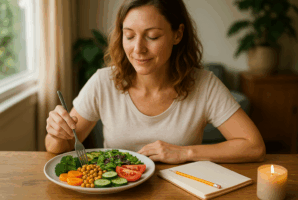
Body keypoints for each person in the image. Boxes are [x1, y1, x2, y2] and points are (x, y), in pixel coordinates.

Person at [45, 0, 266, 164]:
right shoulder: (103, 82)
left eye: (152, 37)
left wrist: (186, 152)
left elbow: (254, 146)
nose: (138, 49)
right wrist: (56, 133)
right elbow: (58, 147)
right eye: (129, 36)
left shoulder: (205, 85)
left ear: (178, 35)